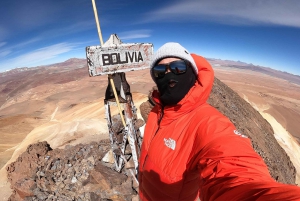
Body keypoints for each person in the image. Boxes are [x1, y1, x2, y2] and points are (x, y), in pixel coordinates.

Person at [138, 42, 300, 201]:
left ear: (192, 74)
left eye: (178, 68)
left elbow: (234, 169)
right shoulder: (156, 112)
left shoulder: (207, 122)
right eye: (160, 70)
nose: (169, 75)